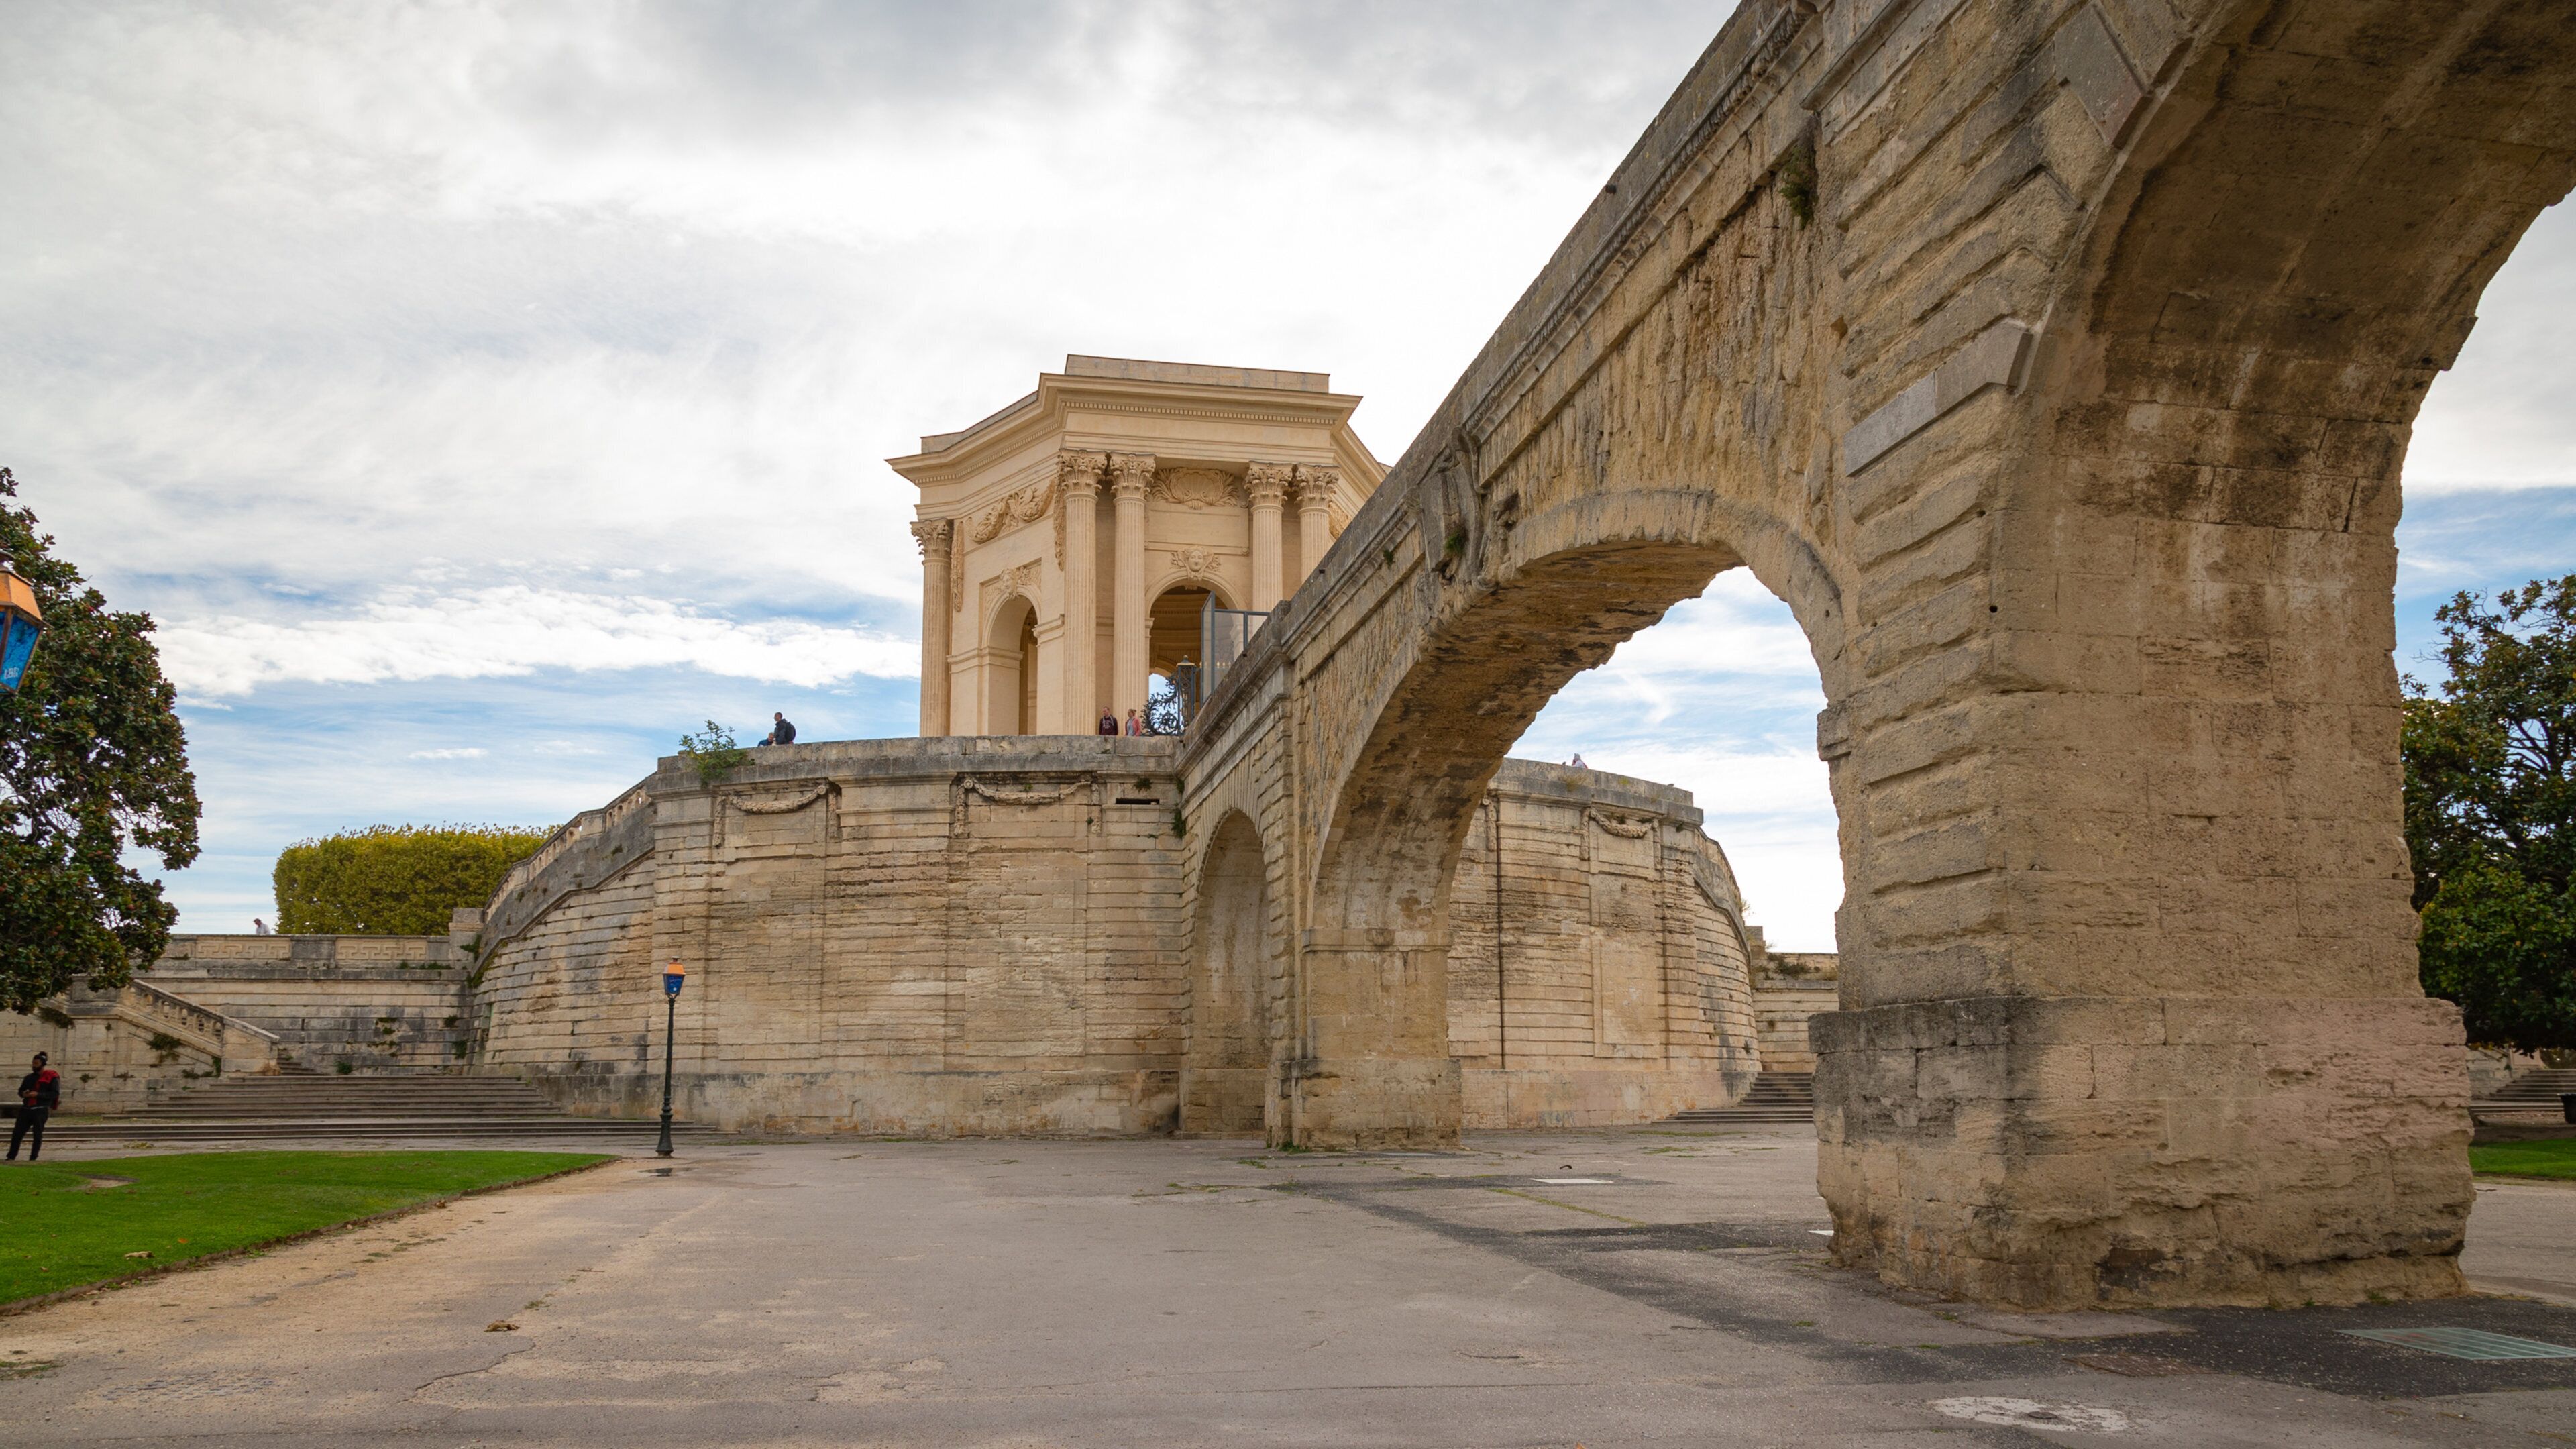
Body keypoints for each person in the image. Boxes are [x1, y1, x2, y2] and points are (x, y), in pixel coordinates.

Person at [9, 1052, 58, 1161]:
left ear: (42, 1064)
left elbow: (54, 1094)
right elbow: (21, 1091)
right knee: (17, 1133)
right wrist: (24, 1094)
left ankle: (33, 1157)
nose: (34, 1066)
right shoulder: (29, 1078)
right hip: (26, 1109)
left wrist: (38, 1095)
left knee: (37, 1135)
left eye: (36, 1063)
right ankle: (11, 1156)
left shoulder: (51, 1077)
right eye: (33, 1063)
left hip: (40, 1109)